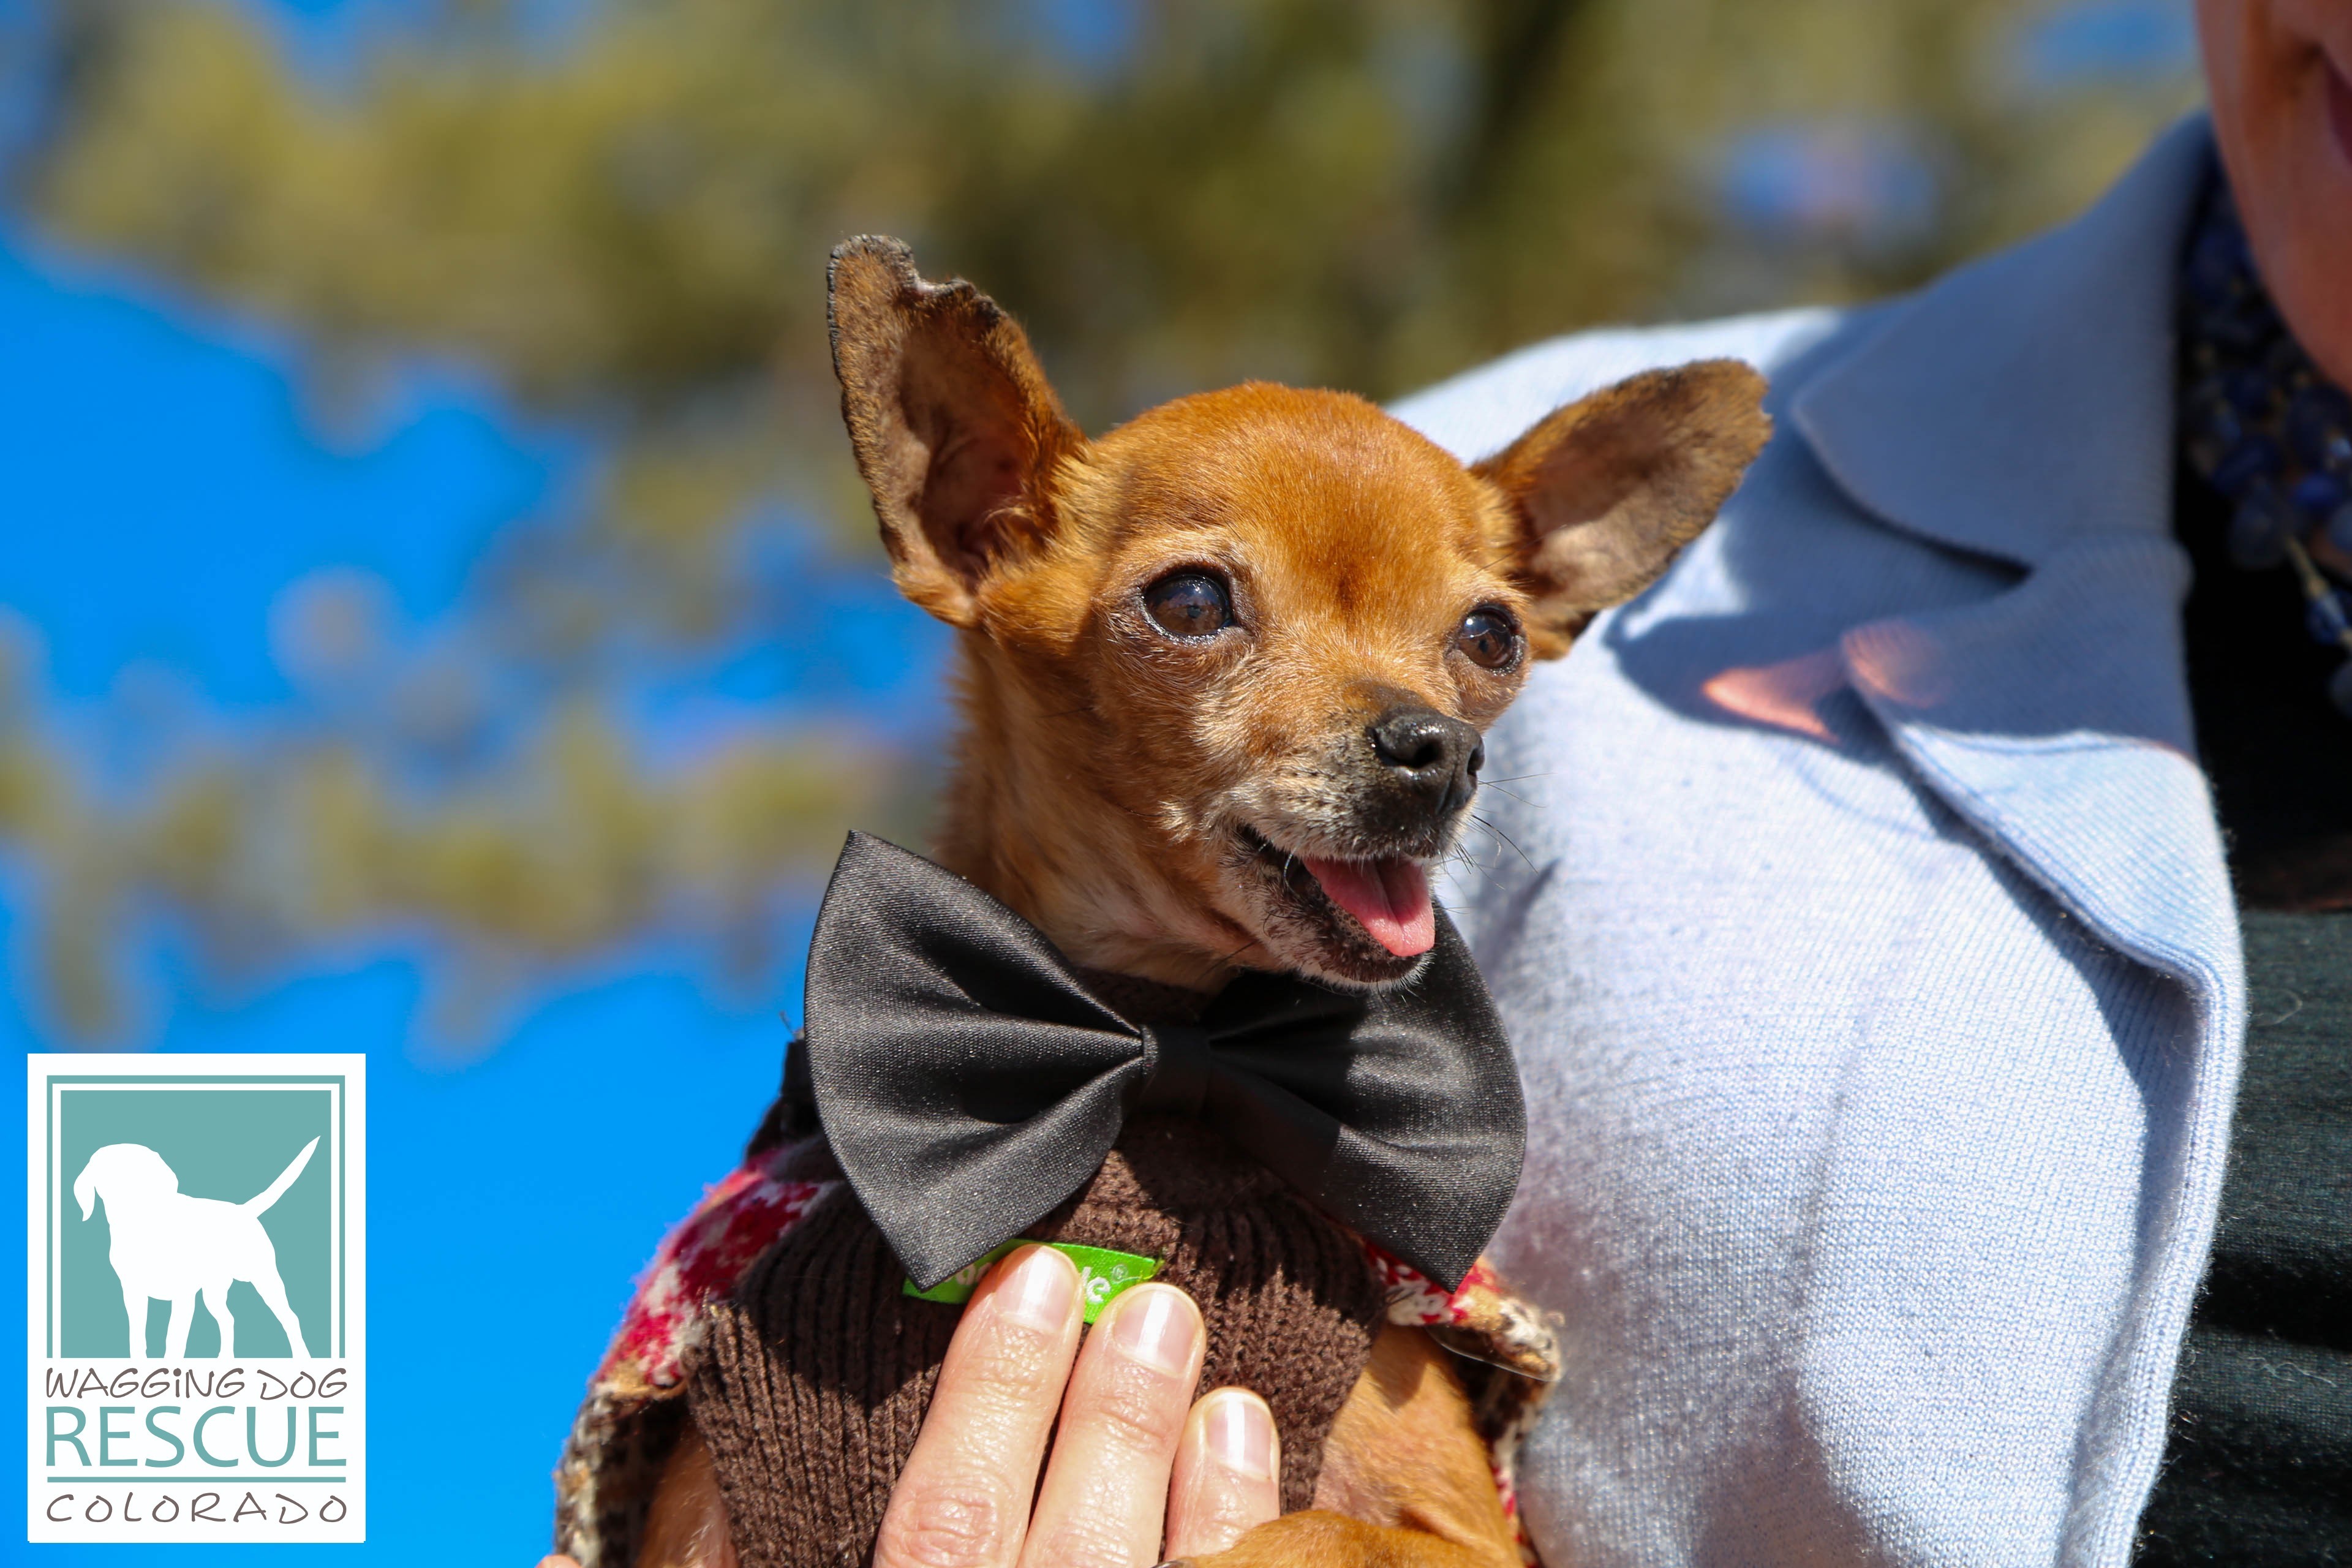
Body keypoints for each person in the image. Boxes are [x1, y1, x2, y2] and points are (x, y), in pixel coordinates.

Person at [546, 2, 2350, 1562]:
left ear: (1560, 588)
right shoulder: (826, 1204)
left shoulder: (1372, 1272)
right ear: (976, 521)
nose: (1424, 727)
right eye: (1200, 609)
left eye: (1478, 645)